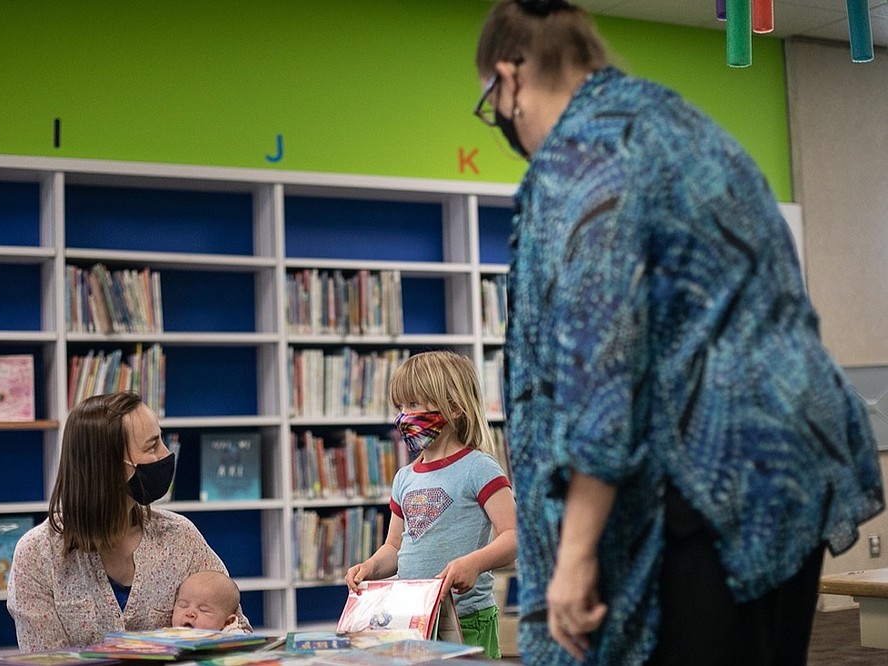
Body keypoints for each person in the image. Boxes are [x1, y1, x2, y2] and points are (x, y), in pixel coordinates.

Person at [473, 1, 885, 664]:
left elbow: (603, 362)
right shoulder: (676, 122)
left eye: (490, 102)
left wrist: (573, 555)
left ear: (509, 79)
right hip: (791, 468)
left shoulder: (584, 154)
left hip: (709, 482)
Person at [7, 392, 253, 650]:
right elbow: (43, 659)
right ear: (109, 466)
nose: (166, 454)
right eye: (152, 446)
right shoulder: (37, 555)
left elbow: (238, 632)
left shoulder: (181, 537)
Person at [344, 350, 517, 658]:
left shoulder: (479, 468)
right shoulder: (404, 478)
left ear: (454, 408)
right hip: (412, 620)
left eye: (413, 404)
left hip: (467, 618)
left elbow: (514, 536)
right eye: (399, 407)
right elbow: (394, 549)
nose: (403, 416)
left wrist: (474, 563)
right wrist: (370, 566)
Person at [172, 570, 242, 631]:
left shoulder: (232, 640)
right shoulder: (165, 636)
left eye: (203, 610)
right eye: (183, 606)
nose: (190, 613)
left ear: (228, 622)